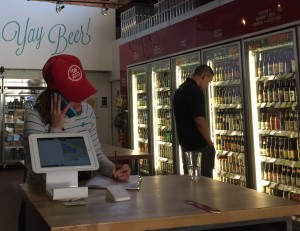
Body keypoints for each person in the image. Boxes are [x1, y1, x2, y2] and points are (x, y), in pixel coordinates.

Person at [23, 54, 131, 184]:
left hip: (79, 188)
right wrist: (56, 129)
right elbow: (41, 172)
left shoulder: (87, 111)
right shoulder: (35, 118)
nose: (81, 99)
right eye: (73, 94)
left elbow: (95, 154)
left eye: (82, 90)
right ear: (55, 95)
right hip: (41, 192)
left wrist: (112, 169)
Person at [173, 64, 215, 178]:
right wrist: (209, 143)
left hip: (186, 146)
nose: (207, 85)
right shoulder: (195, 91)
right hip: (199, 147)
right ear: (203, 76)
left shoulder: (180, 90)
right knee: (204, 183)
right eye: (209, 81)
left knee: (190, 180)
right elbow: (199, 120)